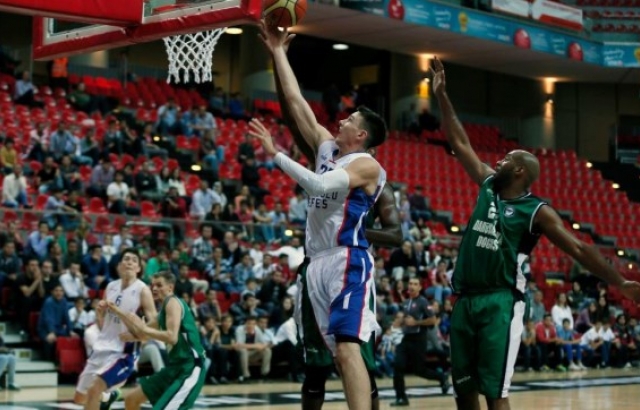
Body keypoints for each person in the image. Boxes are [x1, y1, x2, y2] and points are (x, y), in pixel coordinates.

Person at [431, 57, 640, 410]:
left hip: (501, 302)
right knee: (464, 392)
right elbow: (460, 141)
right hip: (465, 300)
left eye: (504, 160)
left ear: (518, 171)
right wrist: (442, 96)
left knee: (495, 393)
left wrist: (619, 282)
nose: (495, 162)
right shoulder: (487, 186)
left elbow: (578, 248)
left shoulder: (537, 211)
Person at [255, 20, 388, 410]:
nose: (341, 119)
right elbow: (296, 104)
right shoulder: (328, 147)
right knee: (335, 356)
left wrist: (274, 152)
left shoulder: (367, 166)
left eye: (349, 120)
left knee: (349, 351)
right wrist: (278, 51)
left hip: (348, 258)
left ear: (361, 135)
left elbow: (317, 186)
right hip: (316, 263)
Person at [110, 271, 206, 410]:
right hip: (174, 367)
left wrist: (142, 328)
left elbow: (171, 337)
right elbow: (142, 334)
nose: (154, 289)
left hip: (190, 367)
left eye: (159, 285)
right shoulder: (162, 314)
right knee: (131, 400)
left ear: (170, 288)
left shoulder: (173, 302)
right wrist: (117, 311)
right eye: (152, 285)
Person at [73, 249, 156, 410]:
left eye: (134, 260)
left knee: (94, 390)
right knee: (79, 398)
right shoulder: (110, 286)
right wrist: (100, 312)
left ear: (138, 268)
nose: (129, 262)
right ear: (119, 266)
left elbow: (154, 323)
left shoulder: (142, 290)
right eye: (126, 259)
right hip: (102, 346)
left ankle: (104, 395)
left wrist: (138, 336)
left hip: (123, 352)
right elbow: (105, 321)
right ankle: (109, 396)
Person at [392, 278, 450, 406]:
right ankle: (401, 397)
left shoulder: (423, 302)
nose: (412, 286)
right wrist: (401, 322)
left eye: (415, 284)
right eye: (410, 283)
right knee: (397, 365)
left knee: (419, 371)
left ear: (419, 288)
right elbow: (406, 320)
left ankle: (442, 377)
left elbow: (433, 320)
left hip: (419, 340)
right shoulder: (406, 302)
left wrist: (416, 322)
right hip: (406, 339)